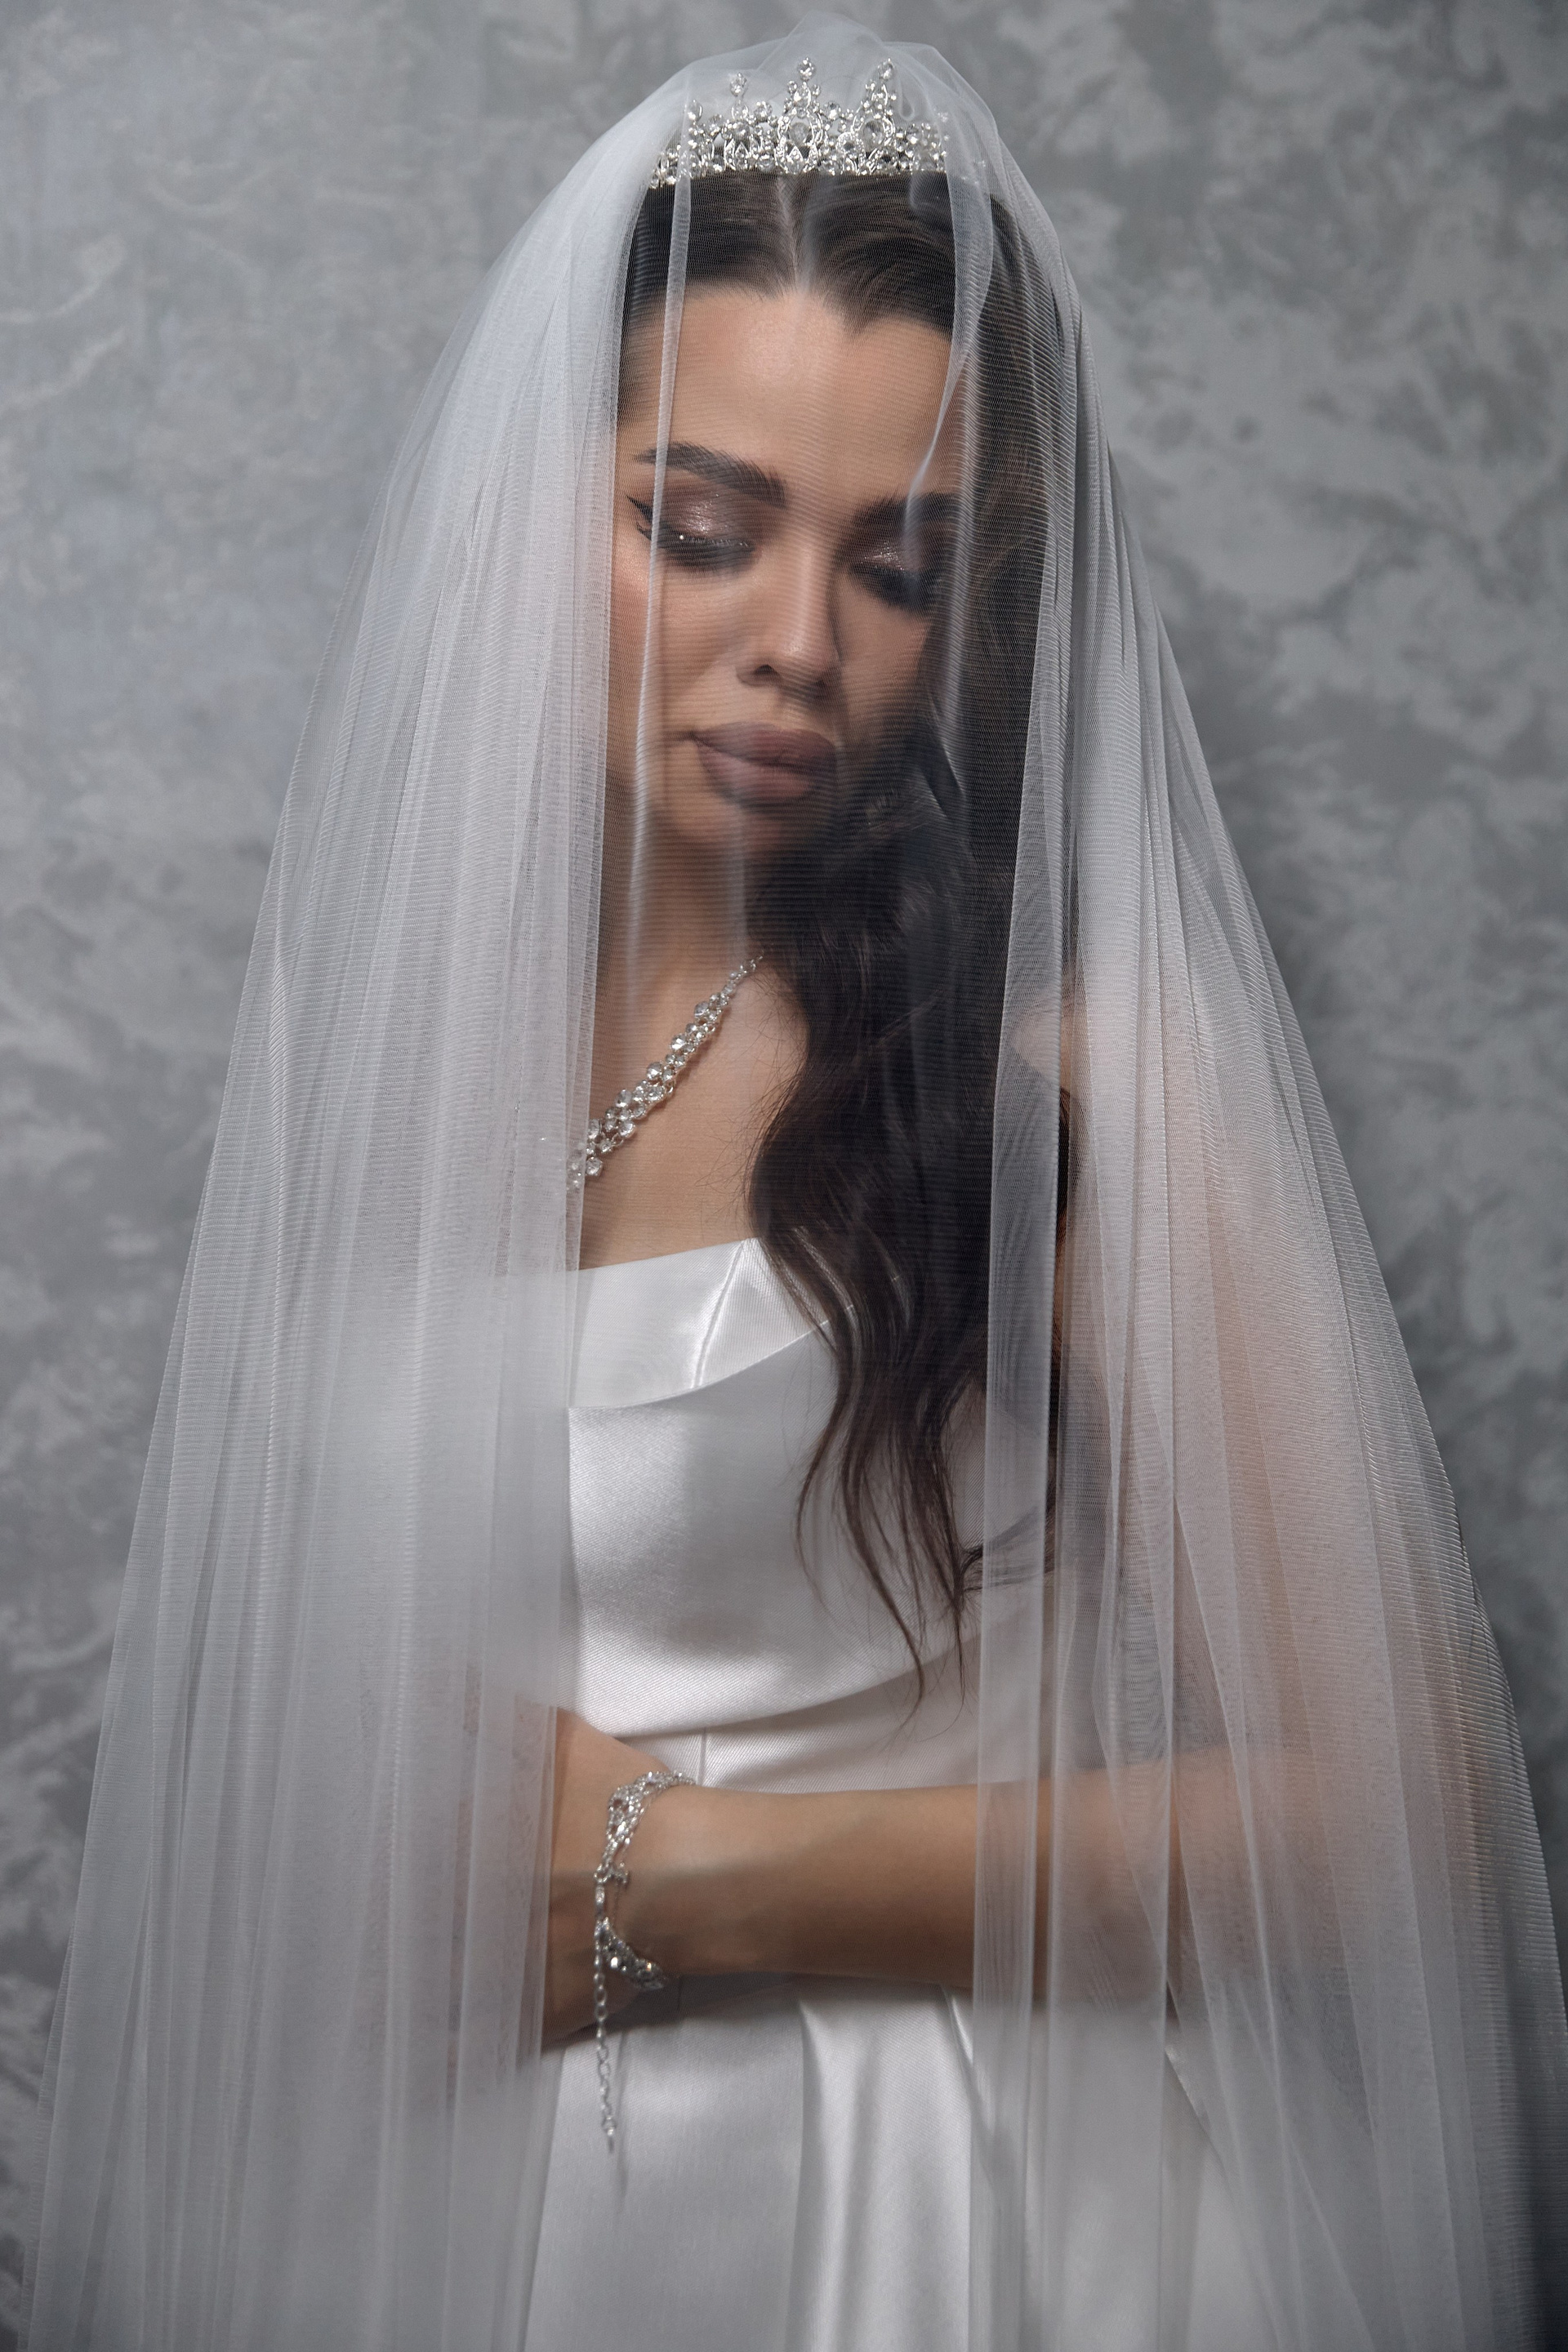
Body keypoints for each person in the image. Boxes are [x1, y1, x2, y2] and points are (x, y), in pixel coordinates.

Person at [21, 24, 1567, 2352]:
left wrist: (686, 1884)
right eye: (699, 527)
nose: (801, 649)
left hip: (923, 2208)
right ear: (529, 509)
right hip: (413, 2211)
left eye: (896, 566)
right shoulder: (404, 1039)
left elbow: (1408, 1804)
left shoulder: (1063, 1071)